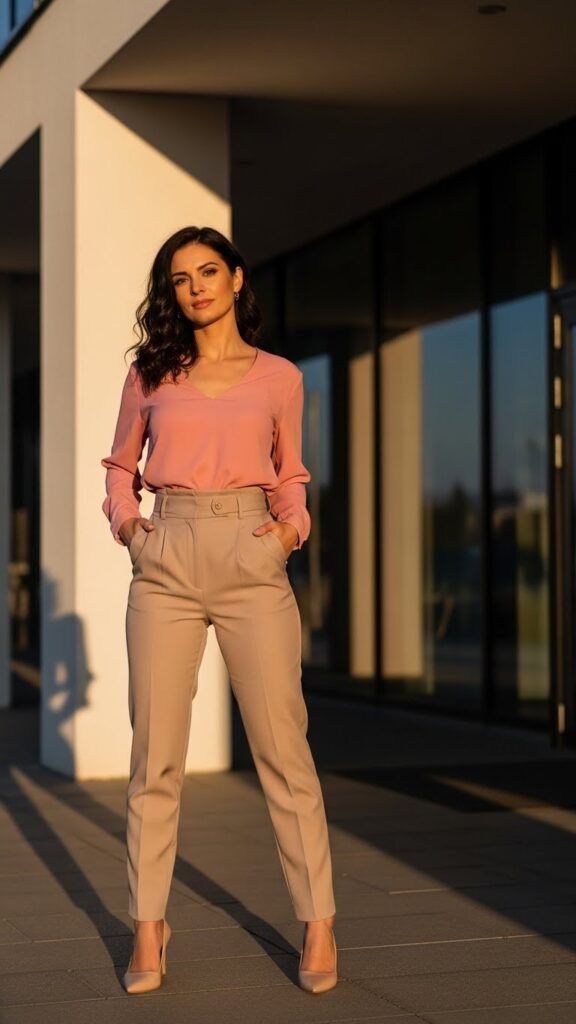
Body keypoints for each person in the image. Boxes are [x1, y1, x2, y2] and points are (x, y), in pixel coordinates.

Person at [101, 226, 337, 995]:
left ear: (236, 278)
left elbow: (291, 476)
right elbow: (120, 467)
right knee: (156, 756)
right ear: (171, 292)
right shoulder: (150, 373)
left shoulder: (279, 378)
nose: (196, 287)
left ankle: (318, 920)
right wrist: (131, 529)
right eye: (180, 278)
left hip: (250, 553)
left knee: (283, 748)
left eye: (208, 271)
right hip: (166, 557)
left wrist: (288, 535)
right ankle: (148, 923)